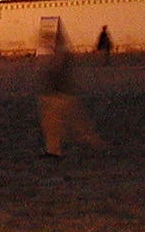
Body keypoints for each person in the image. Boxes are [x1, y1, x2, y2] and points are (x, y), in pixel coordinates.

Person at [37, 27, 104, 159]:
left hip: (60, 94)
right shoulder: (60, 53)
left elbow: (57, 73)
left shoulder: (60, 54)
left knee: (74, 125)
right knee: (59, 124)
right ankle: (54, 150)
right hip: (60, 94)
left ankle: (95, 144)